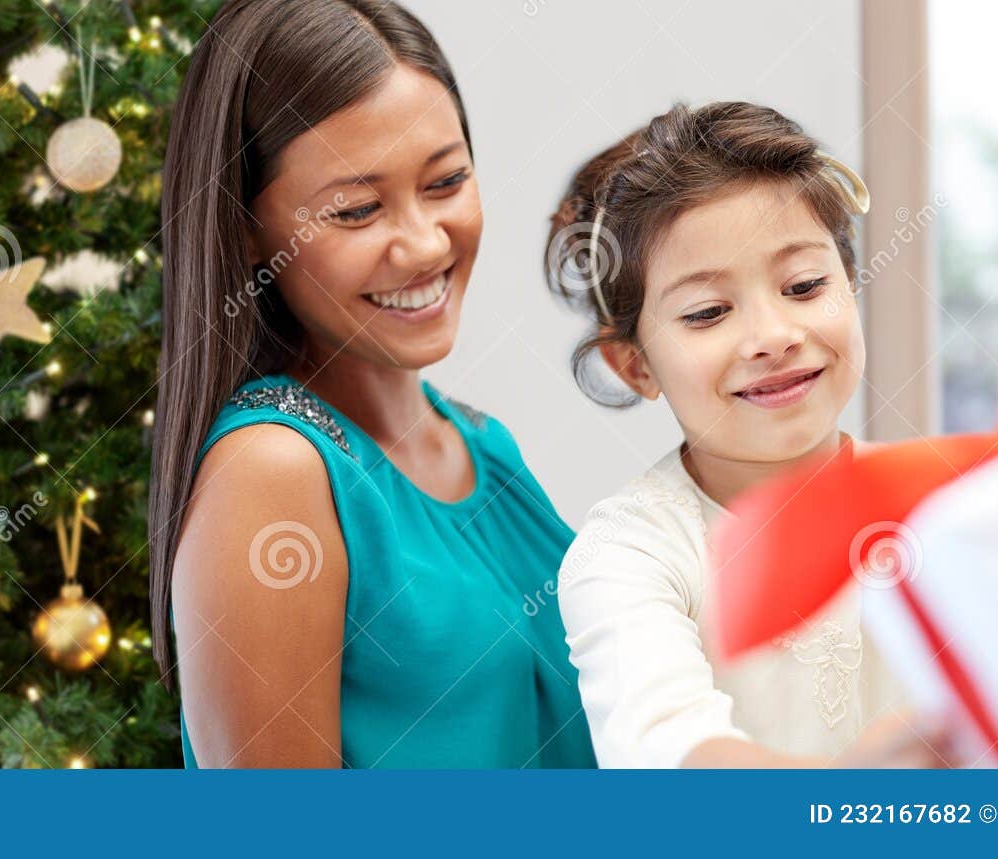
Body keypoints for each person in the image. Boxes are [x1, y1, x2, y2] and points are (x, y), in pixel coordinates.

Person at [148, 0, 595, 769]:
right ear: (247, 227)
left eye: (447, 180)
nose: (424, 243)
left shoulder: (485, 445)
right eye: (356, 210)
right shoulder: (273, 475)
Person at [547, 101, 947, 768]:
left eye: (804, 285)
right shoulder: (629, 551)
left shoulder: (939, 499)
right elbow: (673, 757)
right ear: (635, 364)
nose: (772, 337)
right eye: (708, 312)